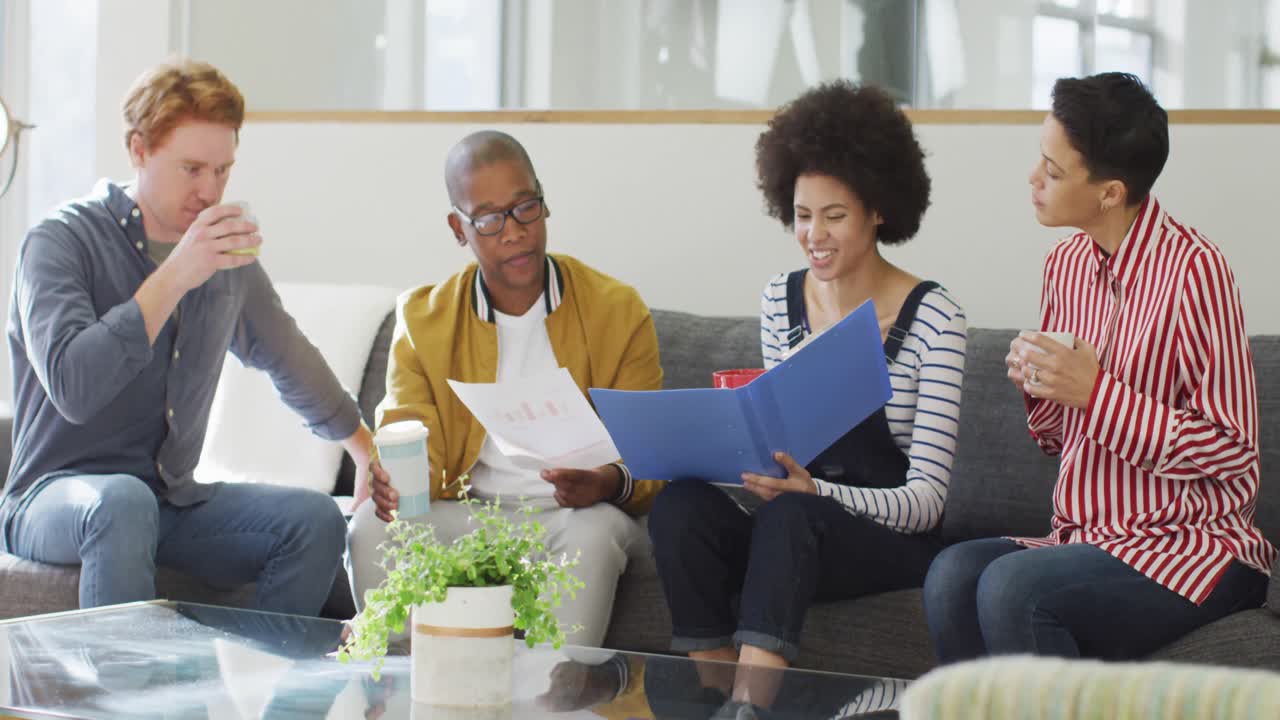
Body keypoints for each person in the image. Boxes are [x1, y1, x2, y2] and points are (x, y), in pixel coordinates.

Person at [1, 58, 378, 615]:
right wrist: (178, 274)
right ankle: (118, 703)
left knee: (314, 520)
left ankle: (256, 692)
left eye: (223, 171)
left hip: (168, 500)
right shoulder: (59, 242)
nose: (210, 190)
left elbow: (289, 357)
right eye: (192, 169)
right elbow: (74, 387)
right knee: (123, 502)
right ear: (138, 150)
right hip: (52, 497)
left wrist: (366, 453)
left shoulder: (225, 261)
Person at [922, 72, 1277, 663]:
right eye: (1040, 160)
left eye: (1054, 172)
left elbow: (1234, 450)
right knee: (952, 574)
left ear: (1110, 192)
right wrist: (1040, 386)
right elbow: (1059, 438)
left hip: (1191, 549)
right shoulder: (1064, 265)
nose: (1034, 181)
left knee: (1011, 587)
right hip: (1087, 539)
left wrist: (1097, 393)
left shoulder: (1197, 273)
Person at [646, 80, 967, 710]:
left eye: (835, 215)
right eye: (801, 215)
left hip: (884, 541)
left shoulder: (935, 318)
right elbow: (781, 448)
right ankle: (709, 695)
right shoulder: (780, 301)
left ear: (879, 210)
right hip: (792, 530)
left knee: (793, 516)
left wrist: (814, 492)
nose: (813, 235)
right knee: (680, 507)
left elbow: (928, 503)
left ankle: (749, 707)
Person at [346, 130, 664, 648]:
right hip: (472, 515)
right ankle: (403, 691)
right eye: (489, 219)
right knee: (369, 529)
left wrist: (604, 483)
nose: (513, 232)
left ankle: (554, 695)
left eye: (525, 208)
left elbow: (652, 460)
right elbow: (407, 430)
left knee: (592, 535)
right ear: (458, 228)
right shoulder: (424, 318)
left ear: (544, 202)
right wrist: (401, 482)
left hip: (574, 517)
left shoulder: (618, 310)